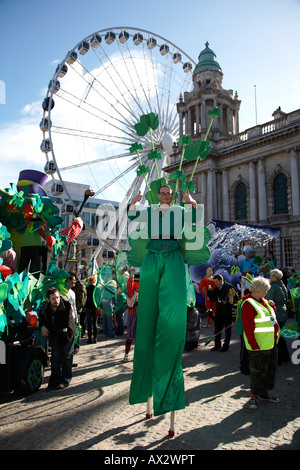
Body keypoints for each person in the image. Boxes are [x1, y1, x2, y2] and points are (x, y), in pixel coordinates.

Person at [127, 186, 198, 416]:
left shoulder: (178, 210)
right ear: (158, 195)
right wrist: (134, 201)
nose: (166, 195)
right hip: (152, 260)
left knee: (171, 321)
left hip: (173, 259)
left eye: (169, 193)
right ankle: (146, 389)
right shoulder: (149, 211)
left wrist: (190, 201)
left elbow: (195, 216)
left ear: (173, 195)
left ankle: (169, 389)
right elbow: (131, 214)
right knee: (147, 320)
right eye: (163, 192)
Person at [241, 276, 280, 409]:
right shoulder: (248, 304)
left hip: (270, 343)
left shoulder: (264, 301)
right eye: (266, 290)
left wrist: (273, 308)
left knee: (269, 370)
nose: (267, 292)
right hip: (258, 345)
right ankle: (254, 396)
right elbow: (248, 328)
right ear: (259, 289)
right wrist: (253, 345)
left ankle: (264, 393)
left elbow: (269, 318)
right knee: (257, 372)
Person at [39, 287, 76, 390]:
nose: (56, 301)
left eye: (57, 297)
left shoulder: (66, 305)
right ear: (48, 300)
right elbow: (41, 319)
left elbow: (64, 323)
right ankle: (54, 381)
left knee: (67, 356)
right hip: (55, 334)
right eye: (53, 298)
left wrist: (48, 327)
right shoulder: (44, 307)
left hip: (67, 334)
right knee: (55, 358)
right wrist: (42, 326)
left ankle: (65, 380)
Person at [207, 274, 238, 352]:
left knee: (227, 331)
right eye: (214, 282)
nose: (215, 284)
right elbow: (213, 299)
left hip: (228, 312)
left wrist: (227, 301)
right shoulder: (217, 288)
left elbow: (236, 300)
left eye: (217, 282)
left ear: (221, 281)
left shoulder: (230, 287)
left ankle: (226, 346)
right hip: (219, 312)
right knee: (217, 329)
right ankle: (217, 345)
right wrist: (209, 291)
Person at [265, 269, 290, 364]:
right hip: (283, 312)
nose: (269, 277)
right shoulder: (282, 285)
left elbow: (268, 300)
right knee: (279, 336)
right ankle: (285, 356)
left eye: (271, 276)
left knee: (275, 337)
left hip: (276, 313)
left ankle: (278, 359)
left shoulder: (273, 287)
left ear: (274, 277)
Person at [123, 267, 139, 362]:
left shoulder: (141, 291)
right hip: (133, 314)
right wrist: (131, 274)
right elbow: (129, 285)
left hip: (139, 315)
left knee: (139, 337)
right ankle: (126, 354)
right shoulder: (132, 292)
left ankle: (136, 355)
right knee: (130, 336)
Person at [235, 288, 250, 374]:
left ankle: (244, 364)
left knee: (244, 347)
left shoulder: (242, 302)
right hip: (244, 329)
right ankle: (244, 366)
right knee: (244, 348)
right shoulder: (244, 303)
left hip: (243, 328)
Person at [85, 275, 97, 343]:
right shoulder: (95, 289)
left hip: (88, 306)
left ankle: (89, 338)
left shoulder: (87, 288)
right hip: (94, 306)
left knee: (89, 323)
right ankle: (95, 338)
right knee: (94, 323)